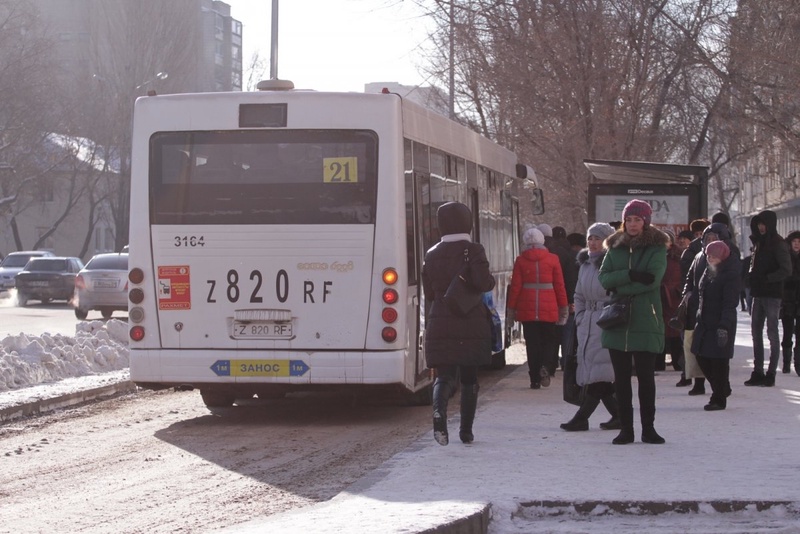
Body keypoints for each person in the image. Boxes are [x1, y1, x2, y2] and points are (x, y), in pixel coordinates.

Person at [422, 202, 496, 446]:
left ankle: (438, 411)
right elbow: (482, 282)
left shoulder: (431, 253)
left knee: (444, 375)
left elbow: (429, 293)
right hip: (469, 320)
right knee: (469, 377)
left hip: (440, 321)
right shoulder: (473, 250)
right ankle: (466, 431)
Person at [599, 199, 668, 444]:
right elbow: (604, 279)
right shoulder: (615, 247)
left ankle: (648, 429)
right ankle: (626, 429)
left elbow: (652, 280)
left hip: (645, 319)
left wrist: (621, 286)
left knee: (646, 379)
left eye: (637, 219)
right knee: (621, 380)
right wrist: (629, 274)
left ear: (646, 222)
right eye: (628, 219)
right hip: (617, 321)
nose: (632, 224)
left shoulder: (657, 248)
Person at [560, 222, 620, 432]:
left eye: (598, 238)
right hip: (587, 323)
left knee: (600, 373)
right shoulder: (585, 264)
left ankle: (581, 418)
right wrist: (581, 317)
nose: (593, 243)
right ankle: (618, 415)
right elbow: (579, 294)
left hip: (607, 322)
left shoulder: (614, 263)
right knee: (597, 372)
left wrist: (608, 315)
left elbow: (618, 292)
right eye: (590, 238)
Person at [508, 227, 568, 390]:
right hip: (549, 307)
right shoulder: (553, 259)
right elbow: (559, 286)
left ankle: (534, 379)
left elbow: (515, 288)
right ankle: (546, 366)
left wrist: (511, 310)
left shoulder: (520, 260)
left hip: (526, 309)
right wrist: (563, 307)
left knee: (532, 343)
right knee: (549, 340)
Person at [745, 210, 792, 387]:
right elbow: (754, 265)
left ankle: (771, 373)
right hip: (758, 293)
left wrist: (767, 278)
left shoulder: (779, 243)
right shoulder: (759, 243)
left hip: (772, 294)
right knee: (756, 333)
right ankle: (758, 371)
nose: (761, 227)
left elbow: (786, 269)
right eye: (759, 224)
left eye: (763, 224)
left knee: (772, 333)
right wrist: (751, 277)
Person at [691, 241, 740, 411]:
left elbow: (730, 303)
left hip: (720, 323)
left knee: (719, 362)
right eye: (708, 255)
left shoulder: (730, 275)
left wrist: (724, 325)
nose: (710, 258)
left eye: (714, 256)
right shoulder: (708, 270)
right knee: (700, 355)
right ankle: (722, 388)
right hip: (704, 322)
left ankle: (718, 398)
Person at [659, 229, 684, 372]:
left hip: (674, 298)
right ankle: (658, 362)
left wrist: (678, 290)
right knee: (659, 331)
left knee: (675, 330)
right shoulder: (654, 255)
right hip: (658, 296)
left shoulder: (678, 256)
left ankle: (677, 362)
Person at [780, 231, 800, 375]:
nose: (797, 244)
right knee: (787, 333)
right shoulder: (785, 257)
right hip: (787, 300)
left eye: (799, 242)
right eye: (794, 242)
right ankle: (786, 362)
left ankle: (798, 363)